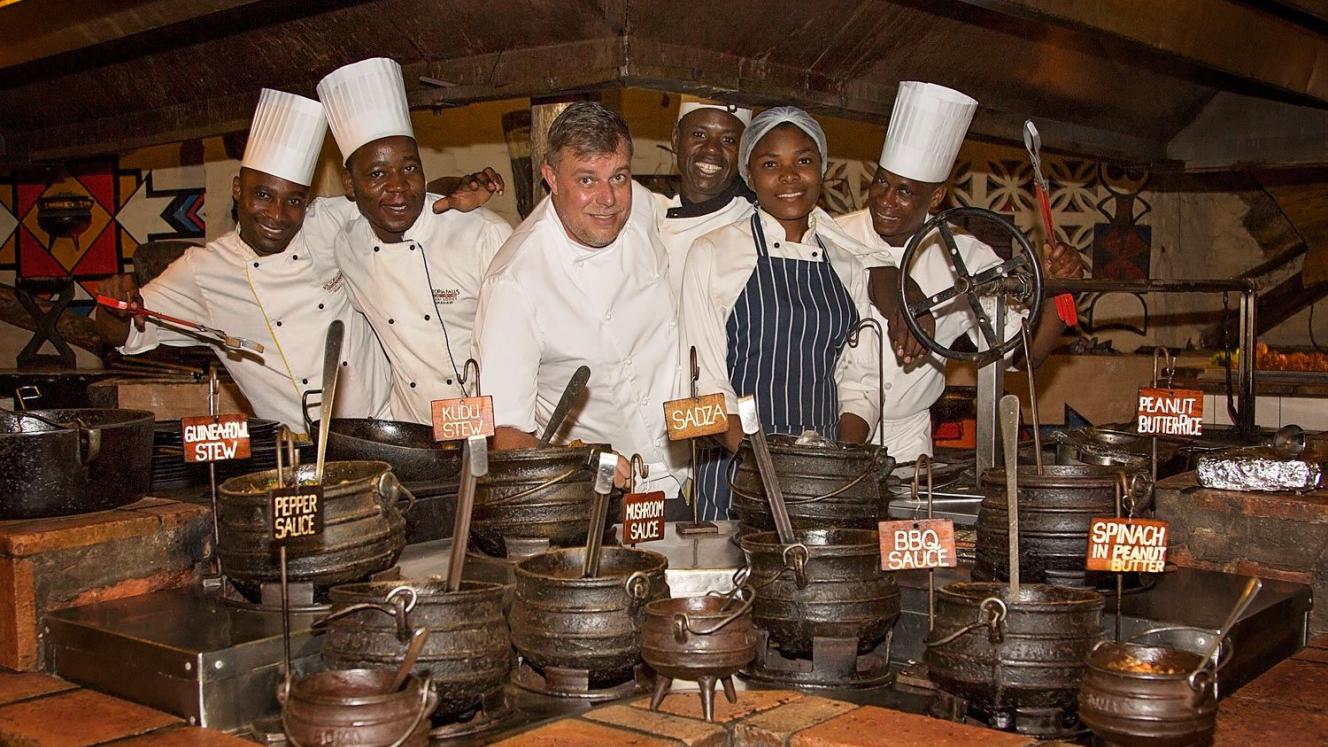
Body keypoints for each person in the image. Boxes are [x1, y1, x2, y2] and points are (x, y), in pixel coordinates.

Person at [96, 89, 393, 433]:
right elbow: (123, 334)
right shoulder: (202, 270)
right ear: (238, 189)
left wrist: (464, 192)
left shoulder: (329, 223)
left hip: (382, 430)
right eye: (263, 195)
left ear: (307, 201)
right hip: (294, 449)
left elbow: (407, 204)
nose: (277, 215)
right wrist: (112, 308)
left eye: (294, 200)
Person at [837, 82, 1083, 462]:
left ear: (935, 197)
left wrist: (1058, 291)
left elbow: (1021, 356)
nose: (885, 200)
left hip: (907, 442)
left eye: (905, 192)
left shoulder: (967, 257)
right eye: (881, 182)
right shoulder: (833, 236)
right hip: (832, 429)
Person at [679, 106, 882, 521]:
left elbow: (859, 381)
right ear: (750, 177)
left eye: (803, 161)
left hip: (822, 483)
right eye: (771, 164)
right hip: (735, 471)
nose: (789, 176)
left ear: (822, 171)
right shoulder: (713, 252)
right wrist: (768, 468)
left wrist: (835, 464)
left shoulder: (847, 265)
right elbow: (705, 385)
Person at [473, 102, 684, 496]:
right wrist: (580, 464)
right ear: (551, 177)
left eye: (618, 177)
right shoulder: (515, 281)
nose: (607, 199)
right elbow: (504, 433)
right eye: (586, 181)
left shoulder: (636, 206)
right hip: (599, 493)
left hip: (686, 473)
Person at [316, 57, 513, 424]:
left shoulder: (483, 234)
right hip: (415, 434)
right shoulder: (347, 246)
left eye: (409, 168)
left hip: (500, 426)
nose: (398, 187)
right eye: (377, 173)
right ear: (349, 184)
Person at [653, 96, 755, 297]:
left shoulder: (754, 222)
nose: (711, 149)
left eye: (728, 140)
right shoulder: (646, 212)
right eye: (699, 134)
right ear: (676, 138)